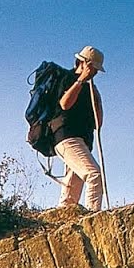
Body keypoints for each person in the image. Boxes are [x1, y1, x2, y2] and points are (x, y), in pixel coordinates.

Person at [51, 45, 105, 211]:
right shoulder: (67, 78)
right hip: (67, 137)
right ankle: (95, 218)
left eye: (96, 70)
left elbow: (97, 124)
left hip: (82, 141)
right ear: (82, 63)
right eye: (93, 68)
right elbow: (64, 104)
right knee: (94, 175)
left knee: (70, 198)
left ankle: (62, 222)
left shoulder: (90, 89)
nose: (94, 73)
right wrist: (81, 80)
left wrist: (96, 99)